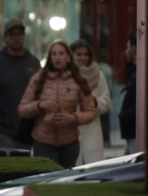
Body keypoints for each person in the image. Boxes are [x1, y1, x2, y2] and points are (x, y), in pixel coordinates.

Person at [17, 39, 97, 168]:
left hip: (69, 142)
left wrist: (73, 118)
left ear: (68, 57)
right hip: (43, 141)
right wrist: (39, 105)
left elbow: (90, 111)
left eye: (61, 53)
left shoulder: (78, 80)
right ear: (49, 57)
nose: (57, 57)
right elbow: (22, 110)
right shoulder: (38, 79)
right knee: (46, 182)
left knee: (65, 182)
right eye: (53, 54)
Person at [0, 18, 42, 149]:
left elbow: (40, 93)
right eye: (13, 34)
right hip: (1, 129)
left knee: (24, 166)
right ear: (6, 37)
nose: (17, 38)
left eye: (20, 34)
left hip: (27, 129)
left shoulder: (33, 62)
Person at [71, 39, 112, 164]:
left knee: (93, 171)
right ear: (71, 55)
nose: (83, 57)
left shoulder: (98, 75)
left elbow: (106, 102)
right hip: (71, 130)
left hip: (92, 130)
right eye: (79, 54)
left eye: (86, 54)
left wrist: (93, 102)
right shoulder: (66, 75)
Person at [119, 33, 138, 154]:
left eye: (128, 47)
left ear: (134, 49)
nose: (126, 51)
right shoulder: (133, 71)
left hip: (135, 131)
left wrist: (124, 116)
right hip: (132, 131)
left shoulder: (140, 74)